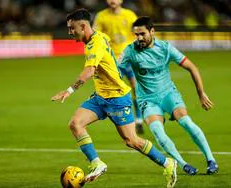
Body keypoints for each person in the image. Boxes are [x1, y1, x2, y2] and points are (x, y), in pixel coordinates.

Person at [51, 9, 177, 188]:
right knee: (75, 124)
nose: (70, 32)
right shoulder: (96, 38)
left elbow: (89, 71)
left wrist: (69, 90)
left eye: (72, 29)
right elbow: (105, 40)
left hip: (117, 98)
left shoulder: (95, 44)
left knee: (131, 141)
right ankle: (97, 163)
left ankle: (167, 163)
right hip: (101, 97)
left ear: (83, 26)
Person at [118, 16, 219, 175]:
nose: (139, 38)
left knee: (187, 123)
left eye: (142, 34)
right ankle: (182, 164)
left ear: (152, 31)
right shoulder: (130, 51)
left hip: (168, 94)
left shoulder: (165, 48)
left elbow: (192, 67)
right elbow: (115, 69)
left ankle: (211, 160)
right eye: (136, 35)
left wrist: (201, 93)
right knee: (158, 131)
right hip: (147, 100)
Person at [93, 0, 144, 134]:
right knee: (115, 90)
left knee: (136, 88)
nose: (112, 0)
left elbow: (138, 34)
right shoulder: (101, 16)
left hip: (129, 59)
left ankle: (138, 120)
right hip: (111, 61)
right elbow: (95, 36)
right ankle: (122, 120)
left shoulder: (130, 15)